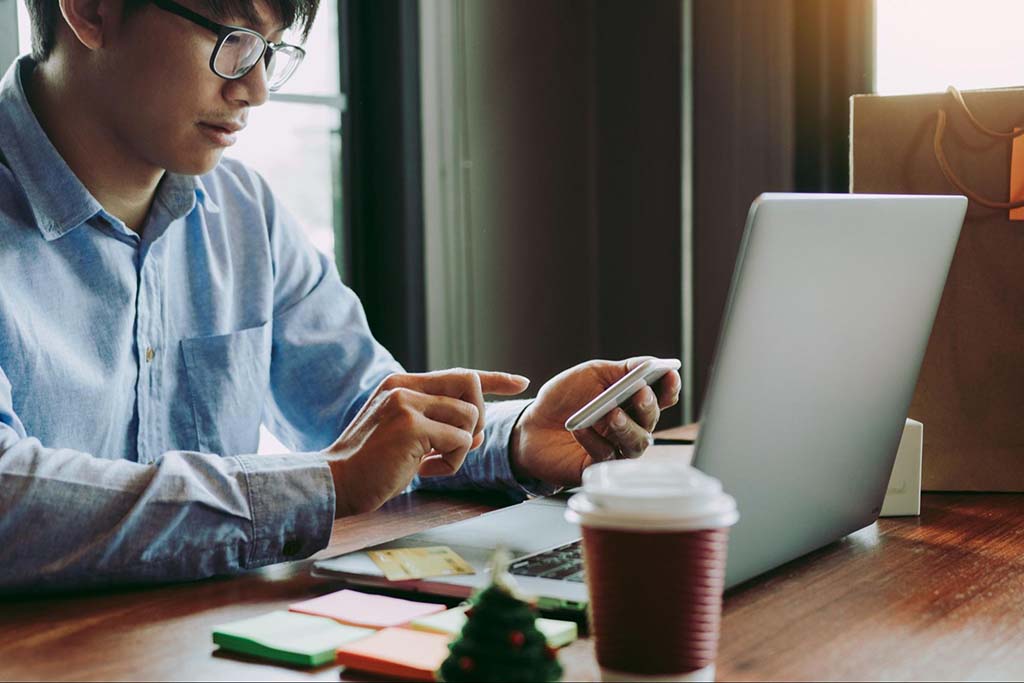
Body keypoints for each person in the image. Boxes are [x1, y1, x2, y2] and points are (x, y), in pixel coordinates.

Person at [0, 0, 680, 592]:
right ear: (91, 9)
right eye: (232, 40)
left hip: (199, 644)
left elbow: (366, 418)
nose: (258, 89)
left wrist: (520, 439)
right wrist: (320, 482)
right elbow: (9, 501)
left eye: (271, 51)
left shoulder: (244, 214)